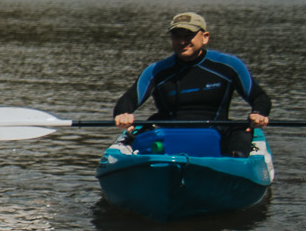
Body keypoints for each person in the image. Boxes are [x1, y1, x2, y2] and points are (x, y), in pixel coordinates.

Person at [112, 11, 270, 154]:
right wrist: (123, 114)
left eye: (188, 35)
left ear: (205, 37)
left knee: (242, 133)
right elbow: (127, 100)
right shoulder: (156, 71)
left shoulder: (229, 66)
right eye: (177, 36)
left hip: (216, 132)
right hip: (169, 134)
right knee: (142, 135)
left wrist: (259, 113)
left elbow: (259, 97)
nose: (182, 41)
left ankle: (237, 165)